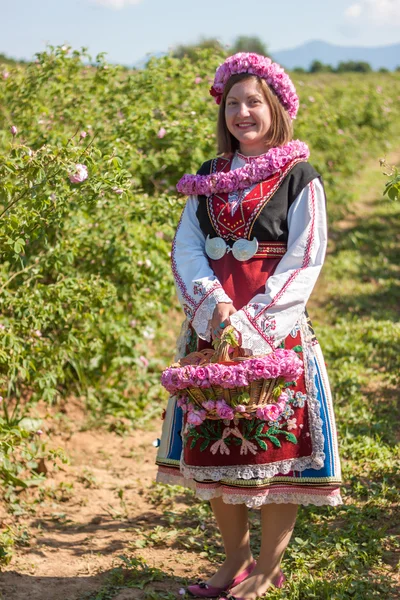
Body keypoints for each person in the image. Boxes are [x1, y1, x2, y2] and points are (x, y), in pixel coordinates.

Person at [156, 53, 342, 600]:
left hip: (273, 330)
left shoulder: (301, 178)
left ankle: (267, 565)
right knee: (216, 443)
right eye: (233, 102)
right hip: (213, 328)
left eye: (253, 102)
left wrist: (256, 322)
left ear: (278, 108)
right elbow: (188, 248)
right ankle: (234, 559)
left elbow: (306, 256)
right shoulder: (208, 179)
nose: (242, 112)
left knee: (277, 450)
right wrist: (213, 305)